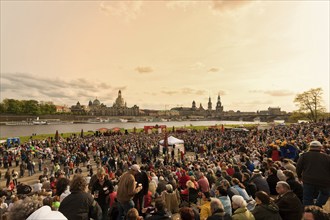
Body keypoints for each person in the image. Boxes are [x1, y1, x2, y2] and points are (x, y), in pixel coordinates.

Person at [296, 140, 330, 207]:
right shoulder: (327, 157)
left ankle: (308, 211)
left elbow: (298, 167)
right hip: (323, 180)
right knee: (325, 193)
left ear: (310, 147)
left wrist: (299, 176)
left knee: (307, 197)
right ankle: (318, 205)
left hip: (308, 180)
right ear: (320, 148)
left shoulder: (304, 156)